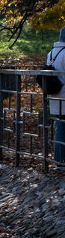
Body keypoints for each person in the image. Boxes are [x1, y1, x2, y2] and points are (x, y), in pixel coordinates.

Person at [47, 28, 65, 161]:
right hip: (64, 96)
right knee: (61, 128)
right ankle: (60, 161)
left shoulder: (51, 53)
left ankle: (59, 159)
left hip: (55, 97)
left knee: (60, 128)